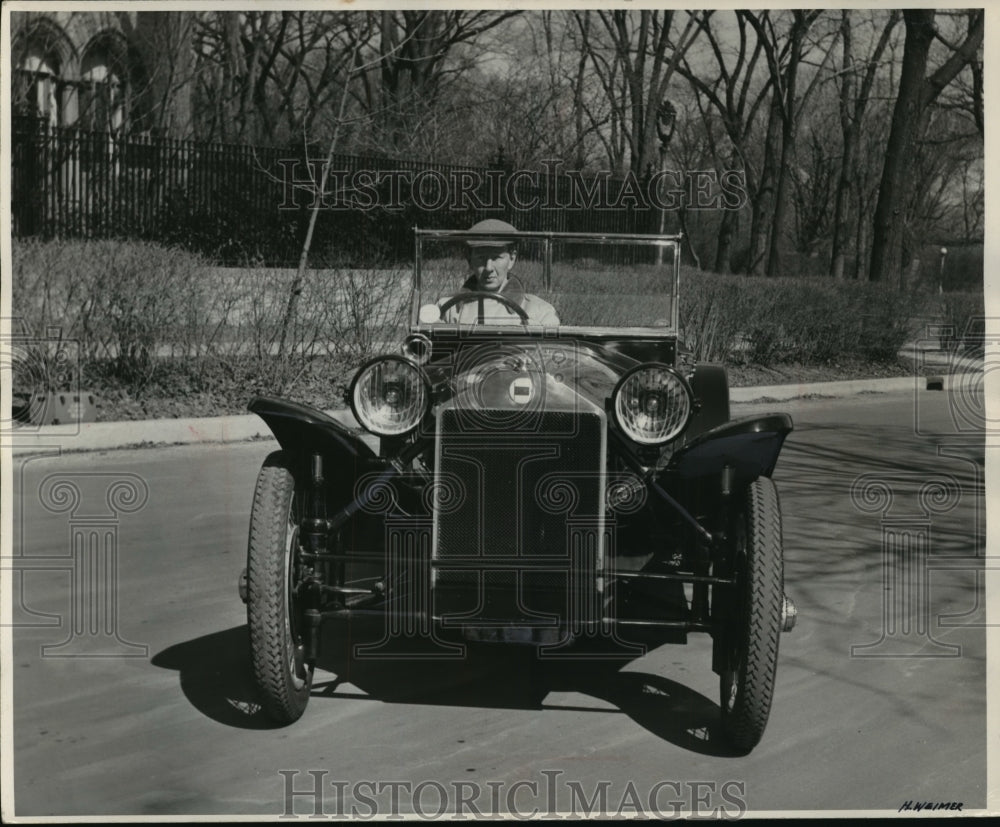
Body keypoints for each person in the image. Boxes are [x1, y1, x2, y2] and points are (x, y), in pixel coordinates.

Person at [440, 219, 559, 326]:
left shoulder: (538, 312)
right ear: (469, 260)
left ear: (511, 259)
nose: (488, 268)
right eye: (481, 258)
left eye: (496, 257)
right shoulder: (449, 310)